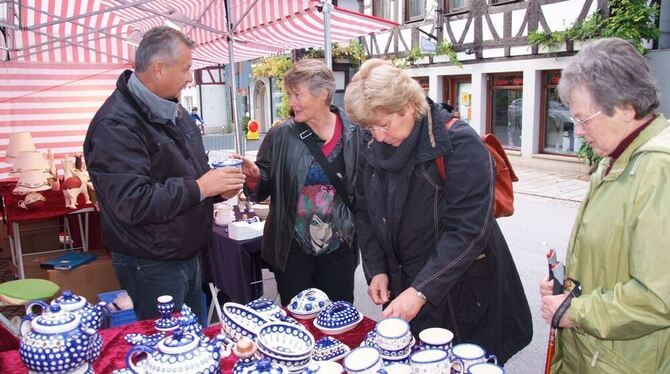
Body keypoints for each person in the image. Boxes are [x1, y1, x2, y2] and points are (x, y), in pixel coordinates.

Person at [344, 59, 532, 364]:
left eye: (384, 124)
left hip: (463, 294)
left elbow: (468, 231)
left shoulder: (458, 143)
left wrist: (420, 291)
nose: (377, 136)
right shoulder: (372, 145)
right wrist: (376, 267)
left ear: (408, 106)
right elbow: (364, 210)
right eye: (369, 127)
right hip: (406, 287)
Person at [84, 27, 245, 324]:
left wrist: (218, 187)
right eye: (185, 69)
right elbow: (132, 202)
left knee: (193, 339)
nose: (189, 77)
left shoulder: (173, 110)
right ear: (159, 69)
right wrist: (200, 188)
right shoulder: (115, 125)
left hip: (185, 251)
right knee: (169, 347)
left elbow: (192, 170)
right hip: (150, 259)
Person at [539, 38, 670, 373]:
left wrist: (575, 311)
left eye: (585, 119)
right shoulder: (618, 160)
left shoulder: (659, 170)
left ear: (626, 107)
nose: (579, 132)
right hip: (595, 356)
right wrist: (567, 287)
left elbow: (658, 298)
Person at [236, 59, 359, 306]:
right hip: (293, 252)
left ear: (324, 93)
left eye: (297, 95)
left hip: (339, 250)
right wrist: (253, 179)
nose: (291, 103)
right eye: (289, 95)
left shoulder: (355, 133)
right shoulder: (281, 135)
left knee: (339, 319)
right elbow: (259, 192)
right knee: (296, 322)